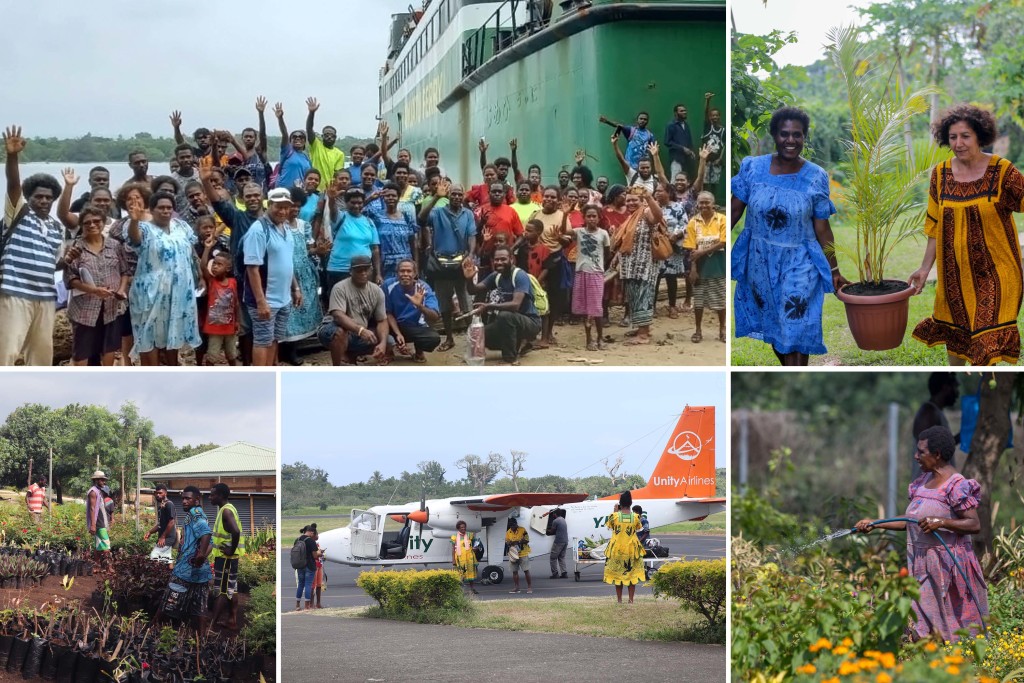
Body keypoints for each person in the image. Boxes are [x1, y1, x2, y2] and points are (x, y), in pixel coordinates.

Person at [731, 106, 848, 366]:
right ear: (774, 135)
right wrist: (714, 238)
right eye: (784, 134)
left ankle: (797, 370)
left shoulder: (816, 176)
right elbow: (735, 210)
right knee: (775, 326)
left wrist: (835, 269)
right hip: (760, 262)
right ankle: (791, 369)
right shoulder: (752, 168)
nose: (791, 140)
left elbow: (822, 228)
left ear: (805, 137)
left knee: (796, 324)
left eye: (797, 135)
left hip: (800, 261)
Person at [909, 104, 1024, 365]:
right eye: (952, 137)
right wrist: (925, 269)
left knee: (987, 342)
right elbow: (935, 227)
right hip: (955, 276)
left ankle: (983, 385)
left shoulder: (1002, 171)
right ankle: (959, 382)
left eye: (965, 136)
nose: (958, 143)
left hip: (998, 272)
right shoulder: (940, 174)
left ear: (980, 136)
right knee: (957, 337)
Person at [855, 426, 988, 642]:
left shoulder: (956, 485)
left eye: (921, 452)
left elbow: (974, 524)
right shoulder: (922, 483)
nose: (916, 456)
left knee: (956, 633)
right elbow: (911, 522)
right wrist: (876, 524)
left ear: (937, 455)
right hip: (922, 566)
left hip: (949, 568)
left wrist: (942, 522)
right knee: (923, 629)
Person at [0, 126, 65, 366]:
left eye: (49, 197)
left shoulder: (57, 228)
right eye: (39, 196)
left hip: (46, 297)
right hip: (15, 292)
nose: (44, 200)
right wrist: (13, 155)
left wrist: (66, 262)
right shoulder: (18, 214)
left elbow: (51, 262)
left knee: (41, 356)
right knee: (6, 351)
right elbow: (13, 184)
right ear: (29, 197)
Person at [126, 190, 202, 365]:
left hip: (180, 291)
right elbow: (135, 239)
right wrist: (134, 219)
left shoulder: (182, 227)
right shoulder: (144, 228)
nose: (166, 211)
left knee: (173, 329)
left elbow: (192, 254)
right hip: (151, 292)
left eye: (169, 207)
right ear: (152, 210)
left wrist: (201, 275)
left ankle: (171, 370)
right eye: (161, 208)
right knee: (148, 333)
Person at [64, 206, 129, 366]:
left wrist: (121, 290)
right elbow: (70, 280)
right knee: (82, 352)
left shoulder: (115, 246)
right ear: (81, 225)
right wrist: (94, 290)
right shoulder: (75, 248)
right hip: (85, 311)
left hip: (112, 308)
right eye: (87, 222)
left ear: (103, 222)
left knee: (109, 349)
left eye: (96, 221)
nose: (92, 225)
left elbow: (125, 272)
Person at [243, 188, 301, 366]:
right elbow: (252, 268)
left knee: (275, 338)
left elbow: (286, 260)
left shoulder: (285, 227)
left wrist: (295, 287)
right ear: (269, 205)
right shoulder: (258, 230)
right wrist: (261, 302)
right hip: (266, 298)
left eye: (286, 207)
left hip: (283, 298)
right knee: (262, 341)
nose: (282, 211)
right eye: (278, 206)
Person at [419, 181, 477, 351]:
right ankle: (449, 338)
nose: (457, 197)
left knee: (466, 303)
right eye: (453, 194)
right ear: (448, 195)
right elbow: (421, 219)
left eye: (460, 194)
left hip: (461, 264)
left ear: (464, 195)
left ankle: (473, 341)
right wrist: (437, 196)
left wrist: (471, 254)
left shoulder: (468, 214)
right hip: (441, 265)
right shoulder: (437, 212)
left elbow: (472, 235)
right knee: (444, 304)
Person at [463, 246, 542, 365]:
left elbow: (515, 305)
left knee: (505, 316)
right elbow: (473, 290)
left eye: (503, 259)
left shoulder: (520, 275)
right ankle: (520, 343)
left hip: (530, 322)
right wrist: (469, 279)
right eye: (496, 259)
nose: (499, 262)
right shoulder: (496, 276)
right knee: (480, 334)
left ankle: (510, 358)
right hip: (510, 322)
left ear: (511, 259)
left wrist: (489, 306)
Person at [611, 186, 665, 346]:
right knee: (634, 297)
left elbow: (658, 216)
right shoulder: (631, 217)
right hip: (630, 267)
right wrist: (617, 256)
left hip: (645, 266)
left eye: (635, 200)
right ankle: (642, 329)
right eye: (628, 200)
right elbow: (628, 241)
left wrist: (649, 198)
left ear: (642, 201)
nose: (631, 203)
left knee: (643, 296)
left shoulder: (646, 212)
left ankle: (643, 336)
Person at [157, 486, 212, 631]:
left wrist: (200, 555)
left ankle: (151, 629)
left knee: (168, 602)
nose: (184, 501)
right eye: (183, 498)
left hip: (184, 571)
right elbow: (210, 545)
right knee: (199, 608)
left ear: (197, 500)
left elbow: (207, 534)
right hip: (201, 573)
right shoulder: (199, 514)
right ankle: (202, 640)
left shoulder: (196, 515)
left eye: (188, 498)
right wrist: (203, 556)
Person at [318, 254, 388, 365]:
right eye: (359, 270)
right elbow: (338, 315)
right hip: (333, 328)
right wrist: (360, 330)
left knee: (386, 339)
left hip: (359, 332)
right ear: (351, 271)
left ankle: (351, 356)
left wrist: (383, 343)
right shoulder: (340, 287)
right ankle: (337, 367)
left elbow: (382, 320)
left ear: (371, 270)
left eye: (366, 269)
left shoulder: (377, 291)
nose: (363, 273)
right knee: (339, 333)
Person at [564, 203, 610, 351]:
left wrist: (602, 268)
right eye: (588, 216)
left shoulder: (603, 234)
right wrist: (565, 214)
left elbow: (607, 253)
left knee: (596, 308)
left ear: (599, 218)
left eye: (594, 216)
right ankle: (589, 340)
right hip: (581, 273)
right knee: (586, 309)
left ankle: (600, 338)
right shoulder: (579, 232)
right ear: (584, 218)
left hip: (596, 273)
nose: (591, 219)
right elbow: (563, 230)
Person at [685, 191, 727, 344]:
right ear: (697, 204)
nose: (704, 205)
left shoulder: (722, 220)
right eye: (701, 202)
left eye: (707, 202)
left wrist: (703, 251)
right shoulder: (693, 223)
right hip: (700, 267)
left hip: (719, 265)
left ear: (713, 204)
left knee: (720, 300)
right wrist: (693, 268)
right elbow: (691, 248)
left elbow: (723, 242)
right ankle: (698, 330)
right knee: (699, 301)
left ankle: (722, 329)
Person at [385, 259, 441, 362]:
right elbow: (388, 313)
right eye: (402, 271)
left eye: (409, 271)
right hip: (392, 325)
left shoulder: (423, 288)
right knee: (378, 325)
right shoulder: (388, 285)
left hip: (412, 326)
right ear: (397, 273)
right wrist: (398, 334)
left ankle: (419, 351)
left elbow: (435, 316)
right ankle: (388, 350)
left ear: (415, 274)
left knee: (433, 338)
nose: (405, 274)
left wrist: (420, 306)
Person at [326, 188, 382, 290]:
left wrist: (378, 273)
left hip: (363, 271)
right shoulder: (340, 217)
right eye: (353, 203)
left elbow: (375, 249)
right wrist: (331, 199)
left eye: (360, 203)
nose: (357, 206)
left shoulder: (369, 222)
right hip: (339, 270)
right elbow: (333, 209)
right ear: (346, 203)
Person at [209, 483, 245, 631]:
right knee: (232, 589)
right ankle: (232, 620)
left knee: (222, 591)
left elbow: (235, 531)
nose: (210, 497)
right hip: (227, 559)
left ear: (221, 496)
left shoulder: (226, 512)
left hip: (226, 559)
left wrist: (231, 549)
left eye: (213, 495)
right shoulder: (228, 509)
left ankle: (211, 626)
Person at [367, 182, 420, 280]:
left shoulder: (407, 217)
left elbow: (413, 242)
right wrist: (371, 198)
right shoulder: (376, 216)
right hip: (384, 267)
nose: (391, 198)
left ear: (398, 198)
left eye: (393, 196)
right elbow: (357, 210)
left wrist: (416, 264)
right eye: (387, 196)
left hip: (405, 266)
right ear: (383, 198)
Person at [911, 373, 960, 479]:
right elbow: (928, 448)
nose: (957, 393)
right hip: (928, 489)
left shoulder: (935, 412)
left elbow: (938, 447)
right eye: (955, 387)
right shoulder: (928, 412)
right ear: (946, 388)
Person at [604, 491, 645, 603]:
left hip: (617, 549)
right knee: (631, 576)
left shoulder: (614, 516)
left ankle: (619, 600)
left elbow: (610, 527)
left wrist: (615, 511)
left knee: (618, 576)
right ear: (631, 503)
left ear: (620, 503)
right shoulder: (636, 517)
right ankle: (631, 600)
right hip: (632, 550)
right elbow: (639, 529)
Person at [305, 97, 346, 191]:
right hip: (314, 189)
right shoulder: (316, 146)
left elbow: (337, 175)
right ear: (322, 136)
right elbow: (309, 129)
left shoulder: (339, 154)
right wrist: (311, 113)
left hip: (329, 191)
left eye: (332, 135)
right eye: (326, 135)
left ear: (335, 138)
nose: (329, 137)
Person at [273, 103, 312, 189]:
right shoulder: (287, 151)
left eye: (301, 137)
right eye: (294, 137)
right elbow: (284, 134)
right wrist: (280, 118)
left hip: (299, 193)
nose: (298, 138)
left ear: (305, 141)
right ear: (290, 141)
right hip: (283, 191)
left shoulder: (306, 157)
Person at [701, 93, 726, 200]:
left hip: (716, 160)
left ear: (719, 116)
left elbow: (723, 145)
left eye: (716, 115)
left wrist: (720, 158)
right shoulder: (707, 127)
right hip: (706, 159)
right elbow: (705, 112)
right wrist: (708, 100)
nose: (714, 117)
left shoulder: (723, 130)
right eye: (713, 115)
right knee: (705, 182)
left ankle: (714, 203)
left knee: (714, 183)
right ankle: (705, 200)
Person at [86, 471, 112, 572]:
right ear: (96, 480)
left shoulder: (98, 491)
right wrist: (93, 525)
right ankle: (108, 567)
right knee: (106, 545)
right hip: (98, 522)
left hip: (100, 521)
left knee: (98, 544)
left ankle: (96, 566)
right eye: (101, 480)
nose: (103, 482)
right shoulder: (93, 492)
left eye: (104, 480)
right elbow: (92, 509)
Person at [145, 484, 177, 564]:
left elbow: (172, 522)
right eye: (156, 493)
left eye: (160, 493)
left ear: (165, 493)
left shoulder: (169, 504)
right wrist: (150, 532)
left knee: (153, 556)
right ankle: (171, 575)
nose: (158, 495)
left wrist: (163, 537)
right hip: (165, 537)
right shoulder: (162, 506)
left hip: (167, 538)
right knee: (167, 559)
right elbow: (160, 524)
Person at [664, 103, 695, 179]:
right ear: (676, 113)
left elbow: (689, 140)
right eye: (681, 111)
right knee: (675, 181)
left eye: (685, 110)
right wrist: (682, 148)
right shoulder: (671, 125)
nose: (684, 112)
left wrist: (691, 151)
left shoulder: (686, 125)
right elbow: (667, 142)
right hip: (676, 159)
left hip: (686, 160)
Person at [295, 525, 320, 610]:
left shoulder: (297, 540)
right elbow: (315, 555)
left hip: (299, 565)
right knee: (308, 585)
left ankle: (297, 605)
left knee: (300, 585)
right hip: (309, 565)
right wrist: (320, 553)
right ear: (311, 532)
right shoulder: (310, 541)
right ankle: (307, 606)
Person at [451, 520, 479, 595]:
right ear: (458, 528)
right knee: (461, 574)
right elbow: (453, 549)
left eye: (464, 527)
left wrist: (475, 548)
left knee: (470, 573)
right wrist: (453, 560)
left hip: (469, 558)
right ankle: (459, 591)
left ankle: (472, 589)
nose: (463, 528)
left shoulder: (470, 535)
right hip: (460, 559)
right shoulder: (454, 537)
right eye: (461, 527)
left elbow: (475, 545)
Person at [505, 518, 532, 594]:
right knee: (514, 571)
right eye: (511, 526)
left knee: (526, 570)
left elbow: (527, 539)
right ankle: (517, 588)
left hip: (523, 553)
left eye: (513, 525)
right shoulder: (508, 532)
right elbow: (507, 541)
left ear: (516, 524)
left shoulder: (522, 530)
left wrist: (518, 542)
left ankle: (529, 587)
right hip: (513, 554)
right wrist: (509, 543)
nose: (512, 527)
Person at [548, 509, 568, 579]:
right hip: (565, 541)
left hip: (559, 541)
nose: (553, 515)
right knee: (561, 557)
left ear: (555, 514)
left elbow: (552, 531)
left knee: (553, 558)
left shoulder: (555, 521)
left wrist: (547, 530)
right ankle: (564, 572)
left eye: (553, 514)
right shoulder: (563, 519)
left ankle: (555, 573)